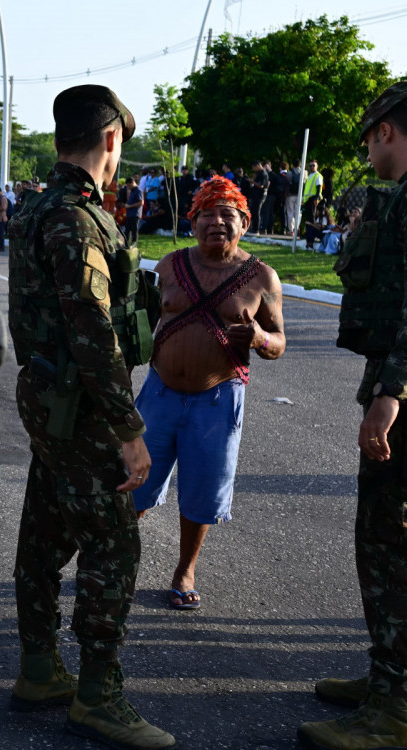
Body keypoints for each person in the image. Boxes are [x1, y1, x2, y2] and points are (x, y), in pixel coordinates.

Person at [7, 85, 174, 749]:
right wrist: (130, 433)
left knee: (45, 526)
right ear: (111, 140)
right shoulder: (76, 219)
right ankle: (98, 694)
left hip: (51, 400)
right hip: (80, 406)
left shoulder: (40, 207)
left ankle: (39, 666)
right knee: (113, 542)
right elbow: (91, 330)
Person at [299, 80, 407, 750]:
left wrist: (390, 393)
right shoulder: (394, 203)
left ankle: (393, 707)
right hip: (396, 382)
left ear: (387, 132)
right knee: (385, 543)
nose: (367, 151)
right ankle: (388, 676)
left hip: (404, 395)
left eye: (369, 137)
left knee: (390, 547)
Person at [132, 176, 285, 611]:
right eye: (207, 214)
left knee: (201, 494)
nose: (217, 222)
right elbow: (138, 324)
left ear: (244, 223)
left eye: (227, 215)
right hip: (159, 395)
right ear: (192, 221)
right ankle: (118, 563)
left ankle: (185, 570)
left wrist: (259, 338)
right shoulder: (169, 266)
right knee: (134, 484)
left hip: (218, 400)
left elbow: (279, 343)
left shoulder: (261, 278)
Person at [122, 177, 142, 247]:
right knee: (127, 230)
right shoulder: (132, 191)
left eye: (129, 185)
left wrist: (129, 206)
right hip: (130, 214)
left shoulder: (138, 190)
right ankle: (126, 244)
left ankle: (134, 243)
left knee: (134, 230)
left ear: (132, 183)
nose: (128, 187)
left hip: (135, 213)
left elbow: (141, 202)